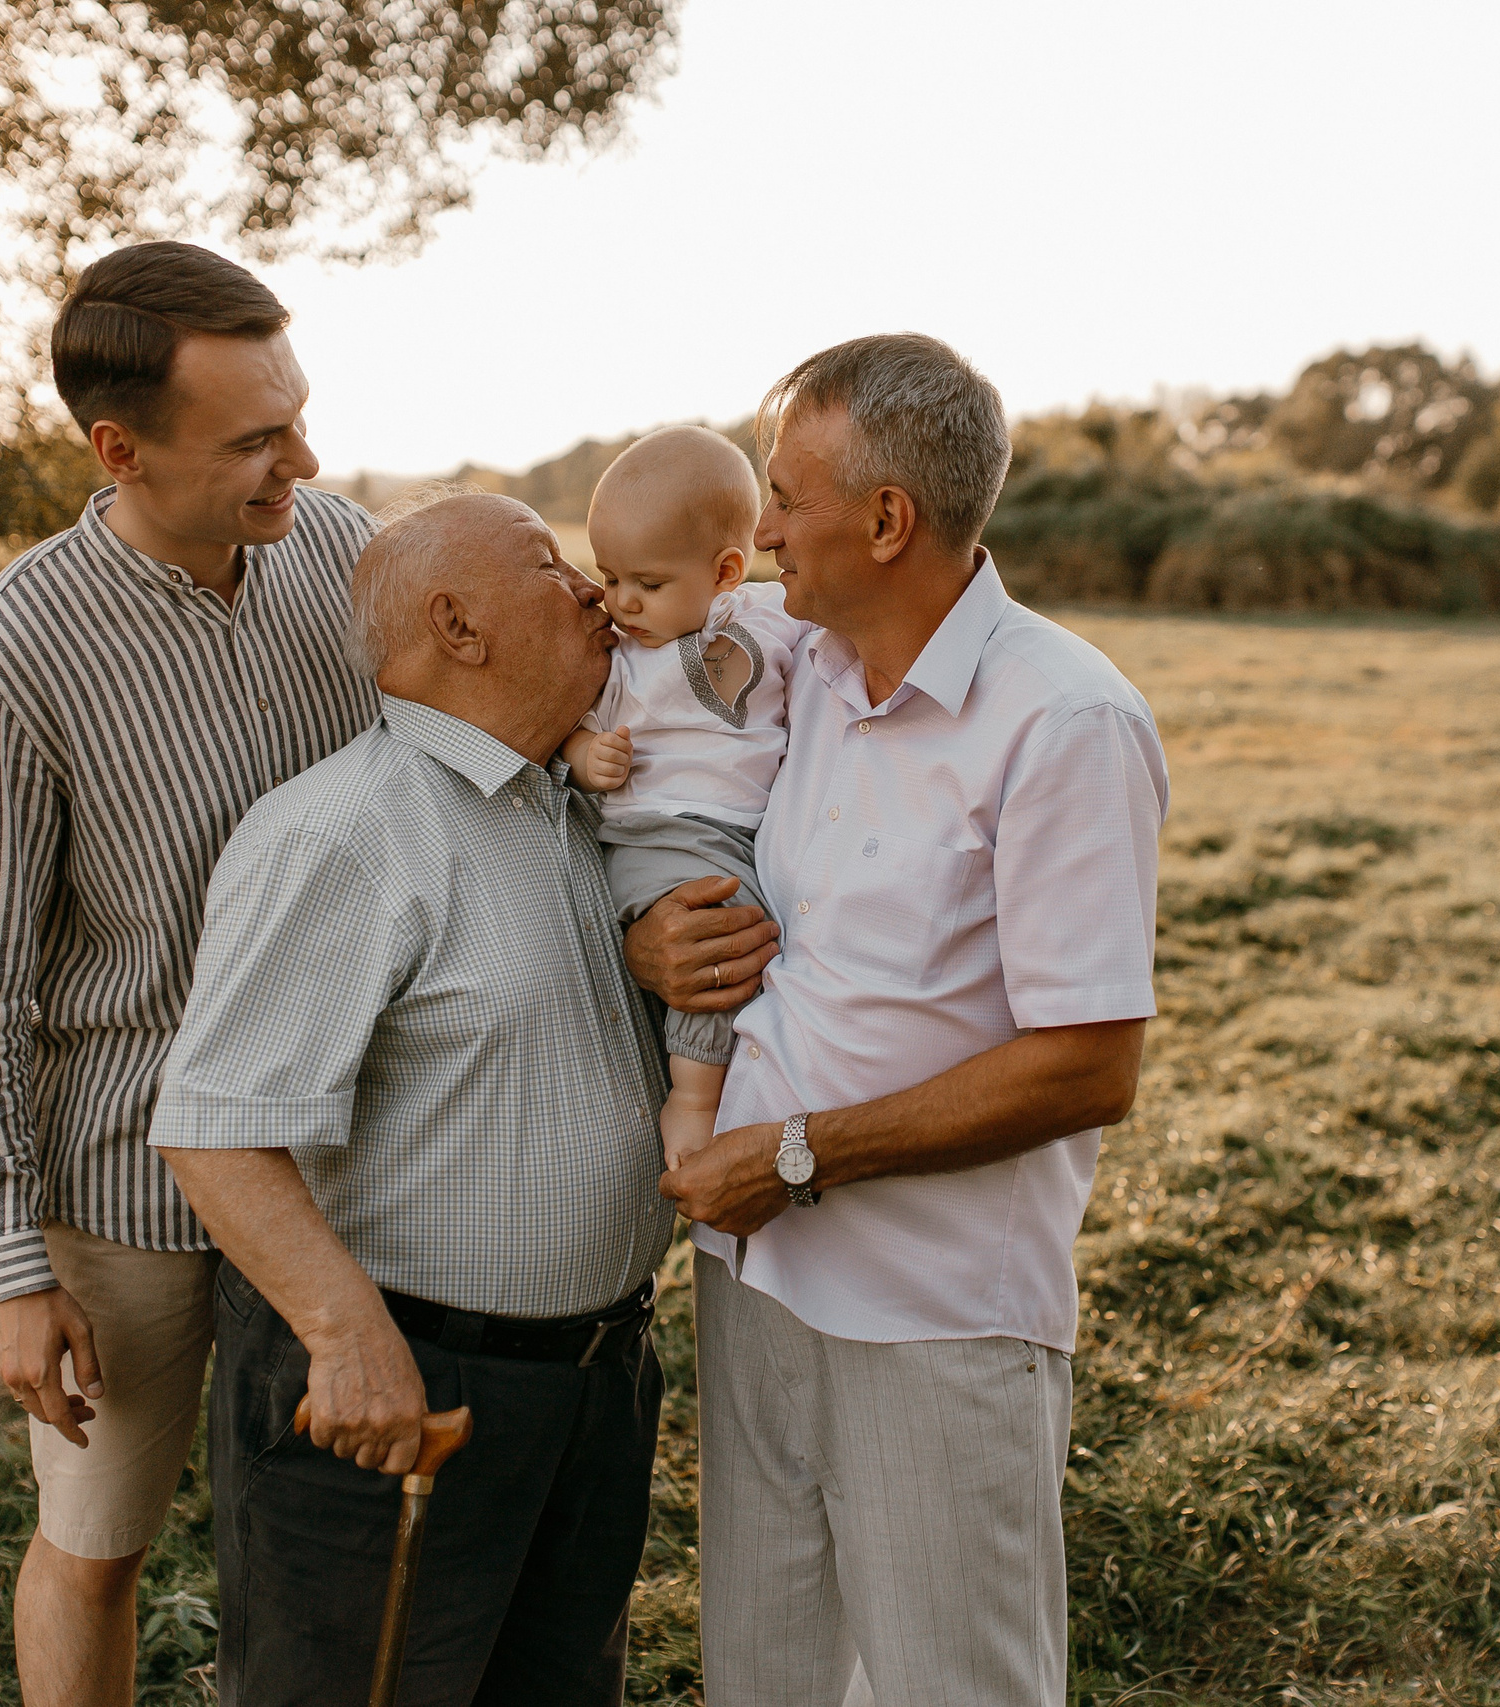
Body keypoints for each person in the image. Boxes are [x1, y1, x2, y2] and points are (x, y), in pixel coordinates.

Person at [630, 334, 1170, 1706]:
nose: (761, 527)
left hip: (933, 1312)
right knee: (769, 1673)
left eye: (786, 492)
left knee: (950, 1683)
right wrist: (647, 930)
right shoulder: (797, 667)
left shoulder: (1063, 720)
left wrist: (795, 1153)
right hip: (755, 1280)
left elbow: (1088, 1063)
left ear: (887, 519)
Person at [0, 241, 378, 1707]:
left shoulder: (341, 548)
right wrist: (11, 1263)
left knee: (331, 1544)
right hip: (126, 1186)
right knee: (96, 1545)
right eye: (253, 438)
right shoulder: (12, 656)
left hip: (352, 1151)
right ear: (121, 449)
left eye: (296, 413)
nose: (302, 455)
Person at [150, 491, 676, 1707]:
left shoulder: (575, 809)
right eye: (552, 567)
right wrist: (349, 1340)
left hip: (595, 1381)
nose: (597, 589)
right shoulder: (342, 835)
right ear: (459, 623)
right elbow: (214, 1127)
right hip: (405, 1393)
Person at [559, 425, 810, 1165]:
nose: (623, 602)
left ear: (727, 570)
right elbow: (570, 722)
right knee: (723, 931)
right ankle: (694, 1098)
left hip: (731, 831)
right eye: (610, 577)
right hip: (657, 832)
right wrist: (584, 752)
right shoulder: (621, 662)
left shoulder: (765, 617)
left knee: (751, 935)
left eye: (649, 583)